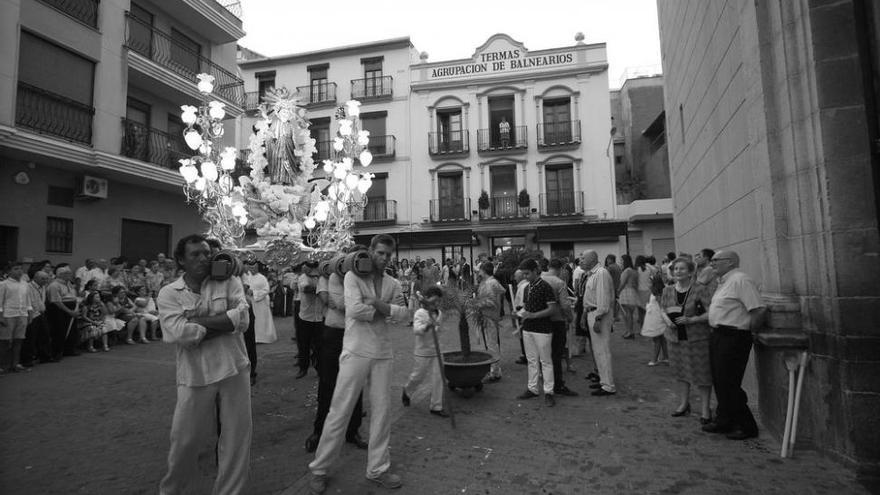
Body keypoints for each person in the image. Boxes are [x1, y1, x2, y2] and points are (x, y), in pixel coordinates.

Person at [308, 234, 408, 494]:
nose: (384, 258)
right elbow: (353, 311)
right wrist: (385, 310)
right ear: (371, 251)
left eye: (388, 254)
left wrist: (376, 304)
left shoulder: (393, 282)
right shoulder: (352, 276)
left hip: (383, 352)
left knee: (382, 411)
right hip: (355, 350)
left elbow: (404, 314)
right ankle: (319, 468)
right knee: (339, 409)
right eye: (381, 253)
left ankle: (378, 468)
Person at [157, 234, 252, 494]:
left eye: (206, 253)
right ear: (181, 260)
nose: (203, 258)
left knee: (236, 438)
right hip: (194, 374)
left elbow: (243, 320)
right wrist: (225, 321)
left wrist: (197, 324)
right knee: (184, 440)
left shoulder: (229, 282)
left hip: (234, 368)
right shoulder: (169, 293)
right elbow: (177, 334)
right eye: (195, 254)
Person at [307, 248, 367, 453]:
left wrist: (359, 304)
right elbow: (344, 305)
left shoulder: (363, 278)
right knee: (327, 383)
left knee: (356, 384)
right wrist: (360, 302)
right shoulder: (332, 277)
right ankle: (319, 430)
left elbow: (351, 305)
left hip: (355, 335)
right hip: (333, 334)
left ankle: (353, 430)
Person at [703, 251, 766, 441]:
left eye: (715, 260)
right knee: (719, 380)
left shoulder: (740, 280)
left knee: (729, 382)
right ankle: (724, 420)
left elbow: (758, 309)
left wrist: (749, 331)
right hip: (718, 335)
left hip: (733, 336)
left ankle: (747, 426)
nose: (711, 263)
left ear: (730, 263)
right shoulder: (724, 282)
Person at [658, 258, 713, 423]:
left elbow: (711, 312)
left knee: (702, 373)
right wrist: (667, 321)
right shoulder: (668, 290)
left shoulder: (700, 289)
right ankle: (683, 404)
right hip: (674, 338)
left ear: (691, 272)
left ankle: (705, 409)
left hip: (696, 338)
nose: (678, 272)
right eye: (675, 269)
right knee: (680, 373)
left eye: (682, 269)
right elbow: (662, 309)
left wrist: (692, 320)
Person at [515, 259, 558, 407]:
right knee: (532, 360)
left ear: (535, 271)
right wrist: (520, 314)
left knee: (545, 361)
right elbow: (527, 307)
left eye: (527, 273)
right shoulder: (527, 288)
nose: (525, 276)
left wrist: (532, 315)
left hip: (543, 329)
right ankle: (532, 388)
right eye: (523, 274)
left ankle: (548, 391)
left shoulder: (545, 286)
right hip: (528, 329)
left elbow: (552, 309)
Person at [401, 285, 449, 417]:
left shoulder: (439, 313)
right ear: (427, 299)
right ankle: (407, 390)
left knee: (439, 377)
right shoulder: (420, 313)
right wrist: (427, 326)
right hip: (422, 351)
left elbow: (440, 330)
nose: (437, 304)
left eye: (439, 301)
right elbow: (416, 330)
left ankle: (436, 406)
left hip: (437, 350)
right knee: (418, 376)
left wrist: (437, 326)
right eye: (434, 301)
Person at [581, 250, 616, 396]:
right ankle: (603, 380)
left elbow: (603, 299)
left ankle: (608, 385)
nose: (580, 260)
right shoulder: (592, 274)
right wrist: (584, 315)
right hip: (592, 313)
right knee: (597, 351)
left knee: (602, 351)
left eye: (583, 258)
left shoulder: (601, 273)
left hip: (598, 314)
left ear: (592, 259)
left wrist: (598, 318)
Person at [541, 258, 578, 397]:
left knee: (544, 354)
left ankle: (545, 381)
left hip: (541, 321)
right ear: (561, 269)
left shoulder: (539, 279)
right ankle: (557, 384)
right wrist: (570, 318)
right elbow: (565, 305)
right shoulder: (559, 282)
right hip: (557, 321)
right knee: (556, 354)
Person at [0, 261, 33, 372]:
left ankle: (15, 364)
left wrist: (30, 313)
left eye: (20, 269)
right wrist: (1, 316)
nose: (19, 271)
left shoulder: (25, 284)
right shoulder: (4, 284)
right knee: (5, 341)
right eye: (15, 269)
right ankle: (3, 365)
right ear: (9, 271)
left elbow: (28, 300)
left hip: (22, 314)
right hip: (8, 315)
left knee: (18, 340)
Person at [476, 262, 506, 383]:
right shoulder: (492, 282)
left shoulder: (490, 283)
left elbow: (491, 302)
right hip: (491, 316)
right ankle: (494, 369)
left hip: (489, 316)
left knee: (491, 344)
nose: (478, 272)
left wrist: (477, 304)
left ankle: (495, 371)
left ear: (484, 271)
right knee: (492, 343)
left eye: (479, 270)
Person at [296, 261, 324, 379]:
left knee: (320, 346)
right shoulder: (303, 277)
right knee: (304, 344)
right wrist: (321, 290)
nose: (312, 270)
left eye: (314, 267)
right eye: (310, 267)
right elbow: (306, 288)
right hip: (306, 317)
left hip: (319, 317)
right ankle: (303, 368)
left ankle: (319, 368)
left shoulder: (322, 277)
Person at [46, 266, 79, 360]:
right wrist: (69, 311)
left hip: (72, 308)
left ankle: (69, 350)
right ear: (61, 275)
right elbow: (56, 301)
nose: (70, 275)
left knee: (72, 331)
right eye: (68, 274)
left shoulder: (69, 284)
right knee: (60, 331)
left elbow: (73, 296)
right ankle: (57, 352)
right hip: (60, 310)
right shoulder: (54, 285)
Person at [21, 270, 53, 366]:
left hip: (41, 313)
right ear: (35, 278)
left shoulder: (43, 287)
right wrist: (35, 311)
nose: (45, 280)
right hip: (32, 314)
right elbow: (30, 301)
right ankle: (27, 360)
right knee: (31, 337)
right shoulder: (28, 287)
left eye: (46, 279)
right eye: (43, 279)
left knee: (44, 335)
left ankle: (44, 356)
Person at [242, 261, 277, 344]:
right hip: (250, 302)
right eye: (251, 267)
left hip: (260, 303)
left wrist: (254, 293)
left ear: (257, 268)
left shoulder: (262, 278)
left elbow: (266, 290)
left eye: (254, 267)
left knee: (261, 320)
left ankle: (262, 337)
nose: (252, 269)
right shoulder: (246, 276)